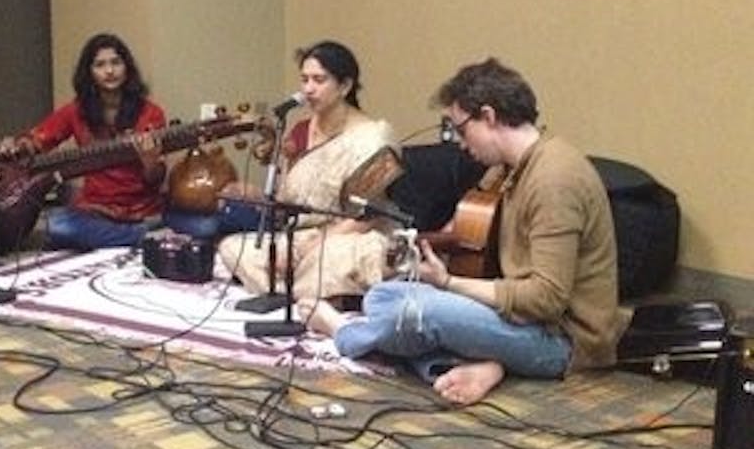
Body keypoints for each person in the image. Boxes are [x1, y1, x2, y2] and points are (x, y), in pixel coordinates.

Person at [299, 57, 631, 406]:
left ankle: (344, 332)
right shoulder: (508, 168)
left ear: (488, 116)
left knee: (415, 314)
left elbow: (546, 300)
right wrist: (426, 257)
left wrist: (447, 284)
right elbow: (462, 229)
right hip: (521, 319)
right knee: (383, 296)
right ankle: (482, 364)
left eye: (460, 129)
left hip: (563, 341)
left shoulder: (554, 180)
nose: (459, 142)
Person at [217, 40, 399, 300]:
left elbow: (366, 217)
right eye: (304, 80)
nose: (308, 89)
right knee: (234, 248)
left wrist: (310, 248)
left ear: (345, 86)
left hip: (351, 237)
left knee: (331, 261)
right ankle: (295, 296)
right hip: (302, 235)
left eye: (319, 80)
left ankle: (287, 293)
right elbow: (287, 202)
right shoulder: (302, 131)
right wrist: (256, 195)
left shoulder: (375, 136)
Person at [0, 32, 166, 250]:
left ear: (127, 68)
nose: (109, 71)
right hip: (96, 209)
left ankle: (131, 235)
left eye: (116, 62)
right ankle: (138, 238)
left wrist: (151, 162)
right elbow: (39, 139)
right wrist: (16, 146)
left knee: (59, 230)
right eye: (100, 65)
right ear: (89, 72)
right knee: (54, 225)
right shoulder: (77, 111)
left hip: (140, 210)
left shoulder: (150, 113)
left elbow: (155, 180)